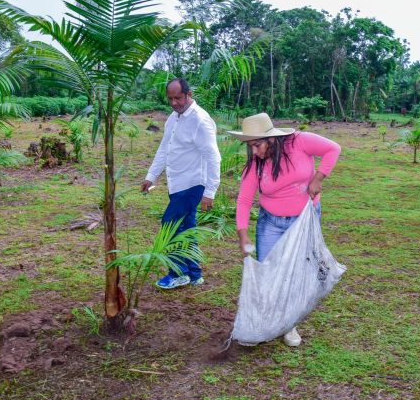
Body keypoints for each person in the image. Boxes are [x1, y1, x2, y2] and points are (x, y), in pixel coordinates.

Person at [229, 113, 341, 346]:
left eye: (258, 144)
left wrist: (319, 178)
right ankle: (266, 323)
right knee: (270, 271)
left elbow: (333, 149)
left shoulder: (298, 141)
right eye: (251, 146)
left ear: (272, 139)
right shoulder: (255, 165)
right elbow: (244, 200)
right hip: (271, 223)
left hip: (304, 220)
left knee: (298, 271)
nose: (256, 152)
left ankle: (290, 325)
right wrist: (243, 234)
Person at [142, 78, 221, 289]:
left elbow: (213, 157)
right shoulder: (173, 118)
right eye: (170, 99)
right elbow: (164, 149)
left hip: (193, 183)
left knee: (171, 223)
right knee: (187, 226)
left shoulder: (200, 120)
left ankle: (179, 273)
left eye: (178, 98)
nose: (174, 103)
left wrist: (210, 192)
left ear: (189, 94)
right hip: (176, 183)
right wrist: (151, 176)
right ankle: (195, 274)